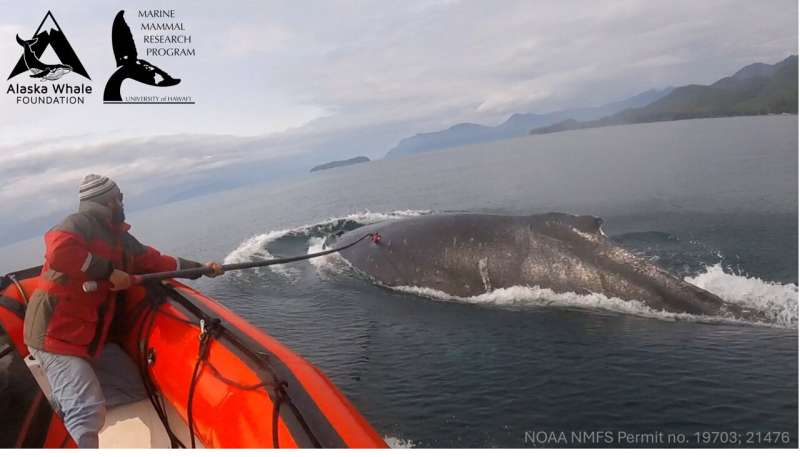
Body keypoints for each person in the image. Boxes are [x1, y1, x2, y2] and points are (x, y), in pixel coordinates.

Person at [23, 174, 223, 448]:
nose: (122, 202)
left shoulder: (122, 240)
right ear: (108, 201)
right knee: (87, 411)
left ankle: (61, 400)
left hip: (87, 336)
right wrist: (108, 271)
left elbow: (157, 261)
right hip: (54, 335)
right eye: (119, 197)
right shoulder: (78, 224)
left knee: (134, 388)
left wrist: (201, 269)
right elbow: (59, 252)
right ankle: (74, 412)